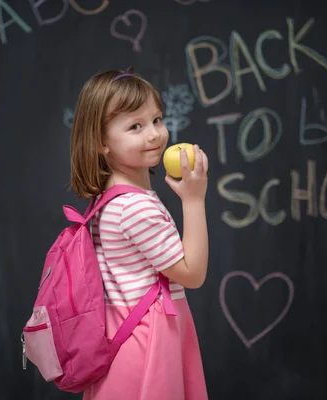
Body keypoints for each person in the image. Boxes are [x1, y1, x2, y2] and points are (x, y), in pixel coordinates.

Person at [69, 68, 209, 400]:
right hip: (147, 345)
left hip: (125, 336)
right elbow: (192, 274)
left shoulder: (112, 197)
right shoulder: (135, 208)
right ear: (102, 142)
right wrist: (193, 199)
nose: (155, 135)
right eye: (135, 126)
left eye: (157, 120)